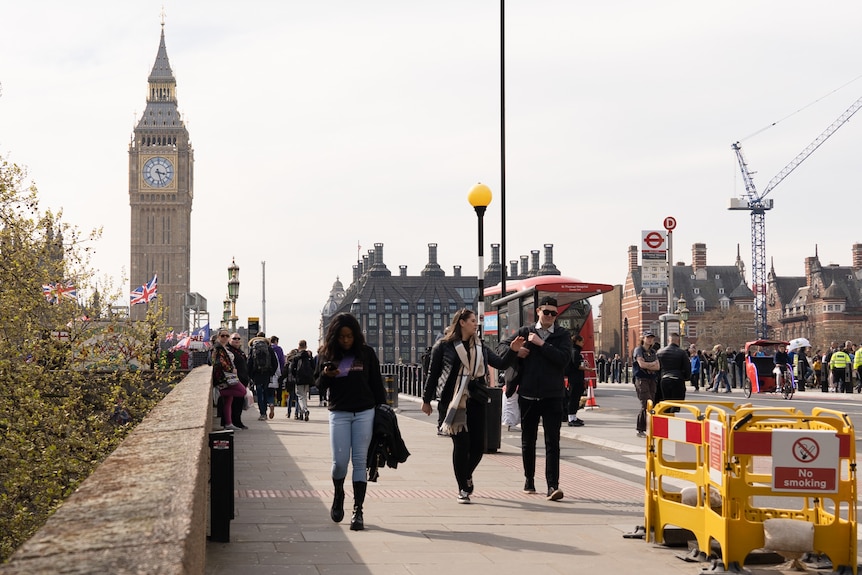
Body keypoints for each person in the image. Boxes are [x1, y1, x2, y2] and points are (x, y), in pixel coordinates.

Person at [420, 309, 506, 503]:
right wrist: (426, 401)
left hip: (476, 399)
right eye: (473, 321)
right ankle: (463, 488)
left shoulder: (480, 346)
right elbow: (432, 375)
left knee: (477, 447)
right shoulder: (443, 346)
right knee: (461, 444)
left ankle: (466, 475)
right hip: (453, 402)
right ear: (462, 323)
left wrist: (515, 350)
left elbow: (500, 362)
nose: (476, 324)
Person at [497, 295, 571, 501]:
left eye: (553, 313)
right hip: (528, 395)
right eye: (545, 312)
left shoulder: (562, 335)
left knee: (552, 442)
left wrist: (541, 344)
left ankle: (552, 485)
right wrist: (516, 351)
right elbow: (501, 348)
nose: (549, 316)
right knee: (528, 440)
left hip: (553, 396)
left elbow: (564, 360)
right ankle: (529, 479)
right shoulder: (525, 331)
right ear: (538, 311)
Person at [317, 313, 387, 531]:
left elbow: (377, 385)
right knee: (339, 462)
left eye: (349, 336)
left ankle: (358, 510)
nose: (346, 341)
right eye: (341, 337)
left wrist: (383, 413)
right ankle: (338, 494)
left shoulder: (366, 354)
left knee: (359, 462)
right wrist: (327, 375)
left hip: (364, 412)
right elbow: (317, 386)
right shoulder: (327, 354)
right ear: (334, 337)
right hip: (339, 412)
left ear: (356, 335)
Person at [211, 329, 249, 431]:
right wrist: (231, 369)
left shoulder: (226, 348)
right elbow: (219, 362)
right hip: (225, 377)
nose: (225, 338)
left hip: (231, 377)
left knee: (229, 401)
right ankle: (220, 393)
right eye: (223, 336)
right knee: (242, 392)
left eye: (227, 336)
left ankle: (228, 423)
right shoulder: (218, 347)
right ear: (218, 337)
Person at [632, 332, 659, 438]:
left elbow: (658, 366)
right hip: (641, 379)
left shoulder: (653, 351)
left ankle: (650, 428)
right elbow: (641, 364)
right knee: (646, 403)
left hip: (652, 379)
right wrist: (651, 364)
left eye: (652, 338)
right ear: (643, 338)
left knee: (652, 403)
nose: (650, 340)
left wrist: (648, 365)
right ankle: (640, 428)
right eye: (648, 338)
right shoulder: (639, 350)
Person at [248, 331, 278, 420]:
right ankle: (269, 405)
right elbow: (275, 362)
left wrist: (251, 375)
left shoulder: (253, 347)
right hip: (266, 373)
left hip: (256, 374)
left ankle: (263, 413)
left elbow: (249, 362)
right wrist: (271, 373)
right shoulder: (269, 348)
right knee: (265, 392)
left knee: (259, 394)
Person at [657, 332, 690, 409]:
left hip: (664, 379)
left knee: (666, 405)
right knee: (677, 404)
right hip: (677, 379)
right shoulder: (682, 353)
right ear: (678, 341)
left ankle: (667, 418)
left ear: (668, 340)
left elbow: (657, 368)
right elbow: (687, 368)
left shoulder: (660, 352)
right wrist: (686, 377)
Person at [565, 334, 592, 427]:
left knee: (576, 399)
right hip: (574, 379)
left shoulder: (576, 351)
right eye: (582, 341)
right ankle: (571, 419)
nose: (583, 343)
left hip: (578, 379)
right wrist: (588, 369)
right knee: (573, 399)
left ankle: (574, 417)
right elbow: (576, 365)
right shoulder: (574, 352)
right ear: (577, 341)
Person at [225, 332, 250, 429]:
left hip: (243, 380)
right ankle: (234, 421)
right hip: (234, 380)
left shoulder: (240, 352)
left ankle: (238, 421)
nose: (237, 340)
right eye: (234, 338)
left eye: (238, 339)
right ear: (230, 340)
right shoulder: (229, 351)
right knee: (234, 403)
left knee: (239, 403)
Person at [291, 340, 315, 420]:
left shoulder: (297, 356)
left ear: (299, 346)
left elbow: (292, 368)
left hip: (300, 378)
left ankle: (305, 410)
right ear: (306, 346)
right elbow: (313, 367)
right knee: (304, 395)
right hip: (308, 378)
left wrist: (295, 375)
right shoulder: (309, 356)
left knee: (300, 396)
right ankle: (302, 414)